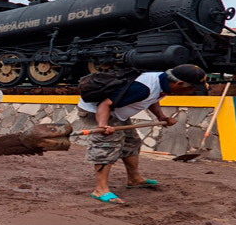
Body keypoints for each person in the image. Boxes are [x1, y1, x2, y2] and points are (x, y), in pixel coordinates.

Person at [77, 64, 207, 204]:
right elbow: (105, 104)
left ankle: (134, 179)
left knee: (132, 142)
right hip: (97, 111)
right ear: (179, 83)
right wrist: (103, 126)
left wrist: (161, 117)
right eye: (191, 88)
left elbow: (152, 100)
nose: (192, 91)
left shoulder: (162, 83)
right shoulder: (143, 88)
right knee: (107, 145)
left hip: (116, 112)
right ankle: (100, 189)